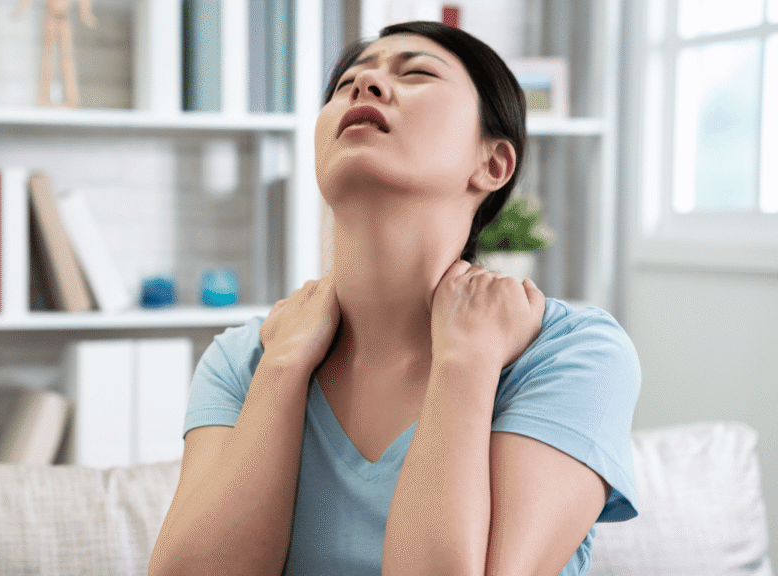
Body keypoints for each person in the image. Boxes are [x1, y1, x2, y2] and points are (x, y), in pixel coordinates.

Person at [148, 20, 640, 576]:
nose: (365, 87)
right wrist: (282, 368)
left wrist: (467, 362)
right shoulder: (245, 360)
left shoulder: (570, 353)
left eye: (417, 73)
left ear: (493, 163)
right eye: (345, 85)